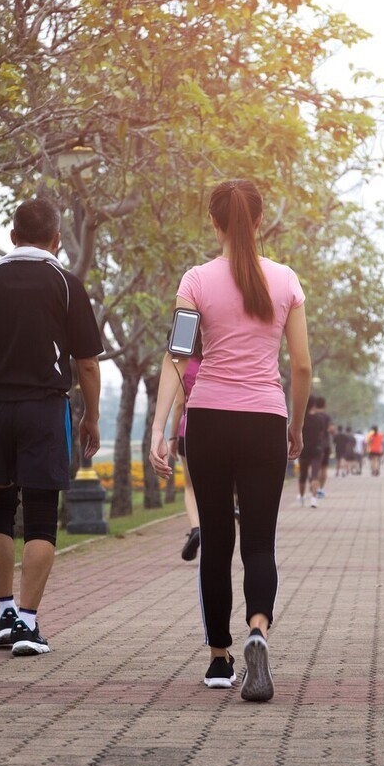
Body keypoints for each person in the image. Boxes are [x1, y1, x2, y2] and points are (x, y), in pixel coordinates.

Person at [150, 178, 311, 703]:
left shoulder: (196, 280)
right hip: (265, 417)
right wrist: (296, 426)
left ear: (214, 223)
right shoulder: (286, 280)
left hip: (210, 421)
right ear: (260, 221)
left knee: (217, 544)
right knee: (261, 540)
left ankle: (219, 660)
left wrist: (157, 428)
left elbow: (178, 356)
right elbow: (303, 367)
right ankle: (258, 630)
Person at [0, 198, 102, 659]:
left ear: (12, 237)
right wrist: (91, 416)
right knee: (42, 515)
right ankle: (28, 623)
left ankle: (4, 611)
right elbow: (86, 362)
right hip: (44, 410)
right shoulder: (66, 285)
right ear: (56, 241)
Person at [168, 348, 203, 559]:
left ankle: (196, 528)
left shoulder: (185, 363)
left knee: (190, 486)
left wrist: (172, 437)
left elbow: (180, 403)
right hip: (217, 429)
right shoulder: (218, 359)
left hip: (188, 430)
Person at [297, 396, 330, 507]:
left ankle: (301, 498)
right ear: (314, 405)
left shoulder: (301, 418)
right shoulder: (319, 419)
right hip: (317, 450)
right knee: (315, 475)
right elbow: (321, 434)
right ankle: (313, 499)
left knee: (303, 474)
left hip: (303, 449)